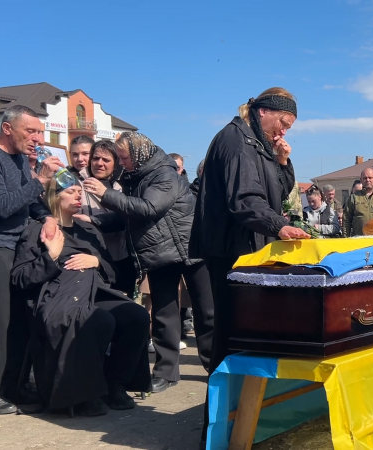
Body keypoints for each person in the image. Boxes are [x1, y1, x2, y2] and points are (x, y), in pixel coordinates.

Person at [189, 88, 308, 449]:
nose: (283, 131)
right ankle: (218, 434)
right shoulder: (236, 140)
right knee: (231, 340)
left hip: (248, 249)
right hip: (230, 253)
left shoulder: (258, 143)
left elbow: (276, 193)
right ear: (263, 111)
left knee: (249, 336)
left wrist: (282, 162)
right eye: (282, 123)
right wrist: (278, 226)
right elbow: (245, 199)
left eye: (288, 127)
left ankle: (245, 424)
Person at [83, 132, 215, 395]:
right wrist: (96, 220)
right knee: (164, 313)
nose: (122, 162)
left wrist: (106, 194)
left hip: (191, 248)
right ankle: (166, 372)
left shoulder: (164, 174)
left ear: (139, 154)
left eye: (124, 157)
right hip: (159, 252)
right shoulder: (134, 177)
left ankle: (215, 367)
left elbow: (147, 208)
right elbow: (130, 214)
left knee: (206, 311)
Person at [11, 177, 151, 416]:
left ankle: (114, 384)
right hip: (57, 296)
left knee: (135, 316)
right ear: (55, 196)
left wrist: (96, 261)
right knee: (97, 320)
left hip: (93, 291)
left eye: (80, 191)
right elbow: (20, 277)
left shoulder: (88, 229)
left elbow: (112, 272)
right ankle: (86, 393)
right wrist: (51, 257)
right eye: (71, 191)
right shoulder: (37, 230)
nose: (79, 196)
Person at [0, 105, 62, 414]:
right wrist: (41, 180)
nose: (38, 138)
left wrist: (47, 217)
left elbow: (30, 201)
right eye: (31, 131)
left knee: (21, 321)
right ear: (8, 129)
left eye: (40, 132)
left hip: (20, 247)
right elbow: (2, 207)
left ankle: (13, 385)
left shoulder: (20, 158)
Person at [74, 140, 136, 294]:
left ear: (116, 163)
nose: (99, 163)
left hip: (122, 257)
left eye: (106, 160)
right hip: (90, 257)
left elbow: (128, 217)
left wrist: (94, 220)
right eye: (95, 158)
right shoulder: (76, 184)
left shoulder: (126, 186)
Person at [344, 168, 373, 236]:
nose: (368, 180)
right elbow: (346, 220)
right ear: (361, 180)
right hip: (359, 238)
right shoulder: (354, 197)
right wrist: (345, 237)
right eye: (365, 178)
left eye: (370, 178)